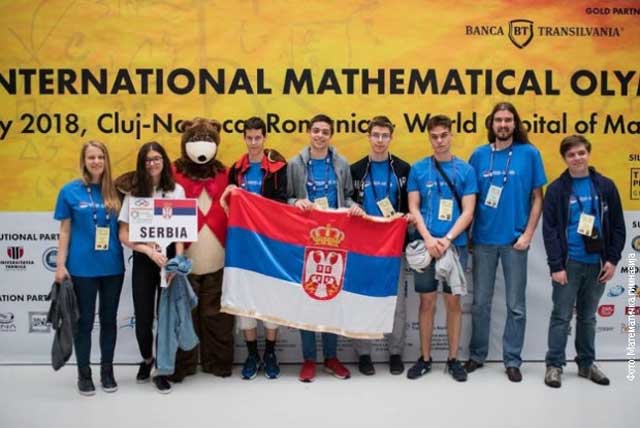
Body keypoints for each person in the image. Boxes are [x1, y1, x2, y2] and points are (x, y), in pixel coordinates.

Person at [465, 102, 547, 382]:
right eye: (498, 120)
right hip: (483, 241)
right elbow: (470, 200)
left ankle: (512, 360)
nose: (503, 125)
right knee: (480, 304)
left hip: (515, 242)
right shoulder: (478, 155)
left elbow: (538, 198)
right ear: (491, 124)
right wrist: (469, 234)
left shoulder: (529, 154)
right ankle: (477, 355)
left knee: (516, 306)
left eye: (508, 120)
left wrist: (528, 234)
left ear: (515, 123)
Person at [542, 135, 625, 388]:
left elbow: (618, 226)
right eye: (571, 155)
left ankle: (587, 364)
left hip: (597, 264)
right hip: (569, 264)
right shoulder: (556, 190)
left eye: (581, 153)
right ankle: (554, 365)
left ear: (588, 153)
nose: (577, 158)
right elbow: (550, 230)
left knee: (588, 317)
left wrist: (612, 259)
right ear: (564, 158)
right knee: (561, 316)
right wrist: (556, 265)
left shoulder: (606, 186)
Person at [287, 113, 364, 382]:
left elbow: (349, 196)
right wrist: (295, 202)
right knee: (308, 298)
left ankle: (331, 358)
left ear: (331, 136)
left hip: (336, 241)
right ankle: (309, 359)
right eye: (316, 131)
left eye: (325, 132)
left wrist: (354, 206)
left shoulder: (341, 164)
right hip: (307, 240)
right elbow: (287, 198)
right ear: (309, 132)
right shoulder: (295, 164)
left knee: (333, 297)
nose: (320, 135)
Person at [406, 115, 477, 382]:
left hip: (454, 247)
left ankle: (453, 359)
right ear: (429, 138)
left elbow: (468, 211)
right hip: (425, 246)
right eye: (434, 136)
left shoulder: (466, 171)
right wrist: (427, 238)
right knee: (426, 302)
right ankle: (425, 358)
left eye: (444, 135)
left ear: (451, 135)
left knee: (453, 303)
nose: (439, 141)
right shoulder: (418, 169)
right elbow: (413, 207)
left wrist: (447, 239)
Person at [53, 140, 124, 396]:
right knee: (83, 323)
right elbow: (64, 231)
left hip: (113, 267)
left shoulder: (117, 191)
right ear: (84, 161)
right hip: (81, 269)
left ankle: (107, 372)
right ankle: (84, 374)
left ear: (106, 160)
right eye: (91, 157)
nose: (96, 161)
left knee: (109, 321)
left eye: (100, 157)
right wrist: (60, 265)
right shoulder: (69, 191)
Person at [222, 117, 287, 380]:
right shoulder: (236, 169)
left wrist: (258, 207)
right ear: (244, 138)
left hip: (270, 243)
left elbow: (282, 203)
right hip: (243, 244)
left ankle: (270, 353)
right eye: (249, 138)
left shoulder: (278, 168)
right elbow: (228, 206)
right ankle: (251, 354)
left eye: (257, 137)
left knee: (271, 300)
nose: (253, 143)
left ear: (265, 137)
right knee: (245, 300)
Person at [118, 142, 185, 394]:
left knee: (166, 319)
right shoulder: (134, 193)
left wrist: (177, 262)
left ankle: (161, 369)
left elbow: (181, 232)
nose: (152, 163)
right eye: (147, 160)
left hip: (168, 262)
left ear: (164, 161)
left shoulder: (176, 190)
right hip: (144, 261)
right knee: (144, 319)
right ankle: (147, 359)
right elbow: (124, 234)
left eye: (156, 158)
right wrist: (147, 250)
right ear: (142, 164)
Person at [350, 115, 411, 376]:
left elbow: (411, 205)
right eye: (375, 135)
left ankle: (395, 352)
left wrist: (407, 216)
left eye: (385, 136)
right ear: (368, 137)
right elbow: (346, 200)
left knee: (396, 302)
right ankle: (363, 354)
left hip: (393, 246)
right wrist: (351, 205)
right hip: (362, 247)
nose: (380, 140)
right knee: (362, 300)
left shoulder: (403, 170)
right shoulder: (355, 170)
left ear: (391, 138)